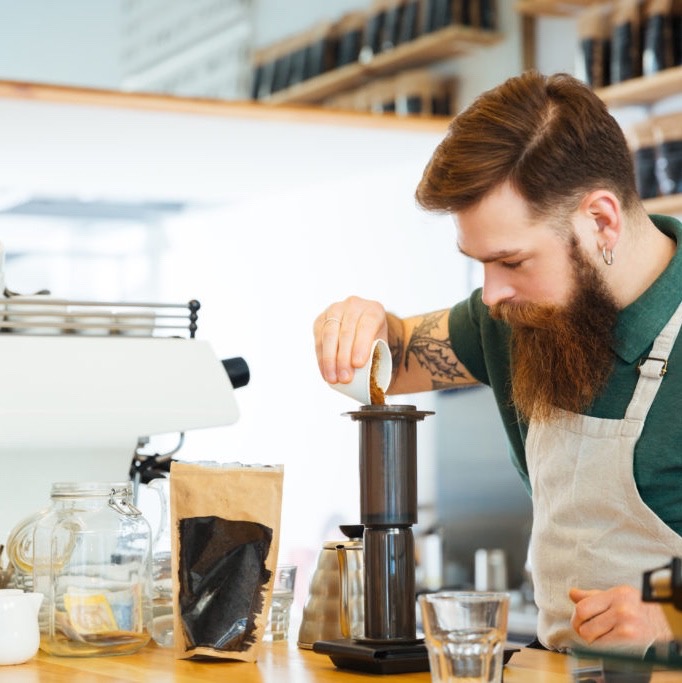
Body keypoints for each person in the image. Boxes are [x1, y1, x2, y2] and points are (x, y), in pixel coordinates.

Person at [313, 70, 682, 654]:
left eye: (512, 261)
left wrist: (676, 616)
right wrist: (365, 325)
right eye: (479, 262)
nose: (490, 294)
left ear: (602, 220)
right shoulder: (518, 317)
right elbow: (397, 357)